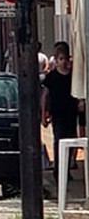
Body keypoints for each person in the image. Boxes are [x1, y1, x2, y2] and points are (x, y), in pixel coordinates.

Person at [41, 42, 78, 182]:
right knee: (58, 141)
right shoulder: (51, 77)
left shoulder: (72, 76)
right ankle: (58, 170)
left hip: (71, 113)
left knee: (71, 141)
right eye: (60, 59)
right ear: (56, 60)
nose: (63, 62)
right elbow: (45, 95)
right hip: (57, 114)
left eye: (65, 59)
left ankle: (67, 169)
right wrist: (44, 113)